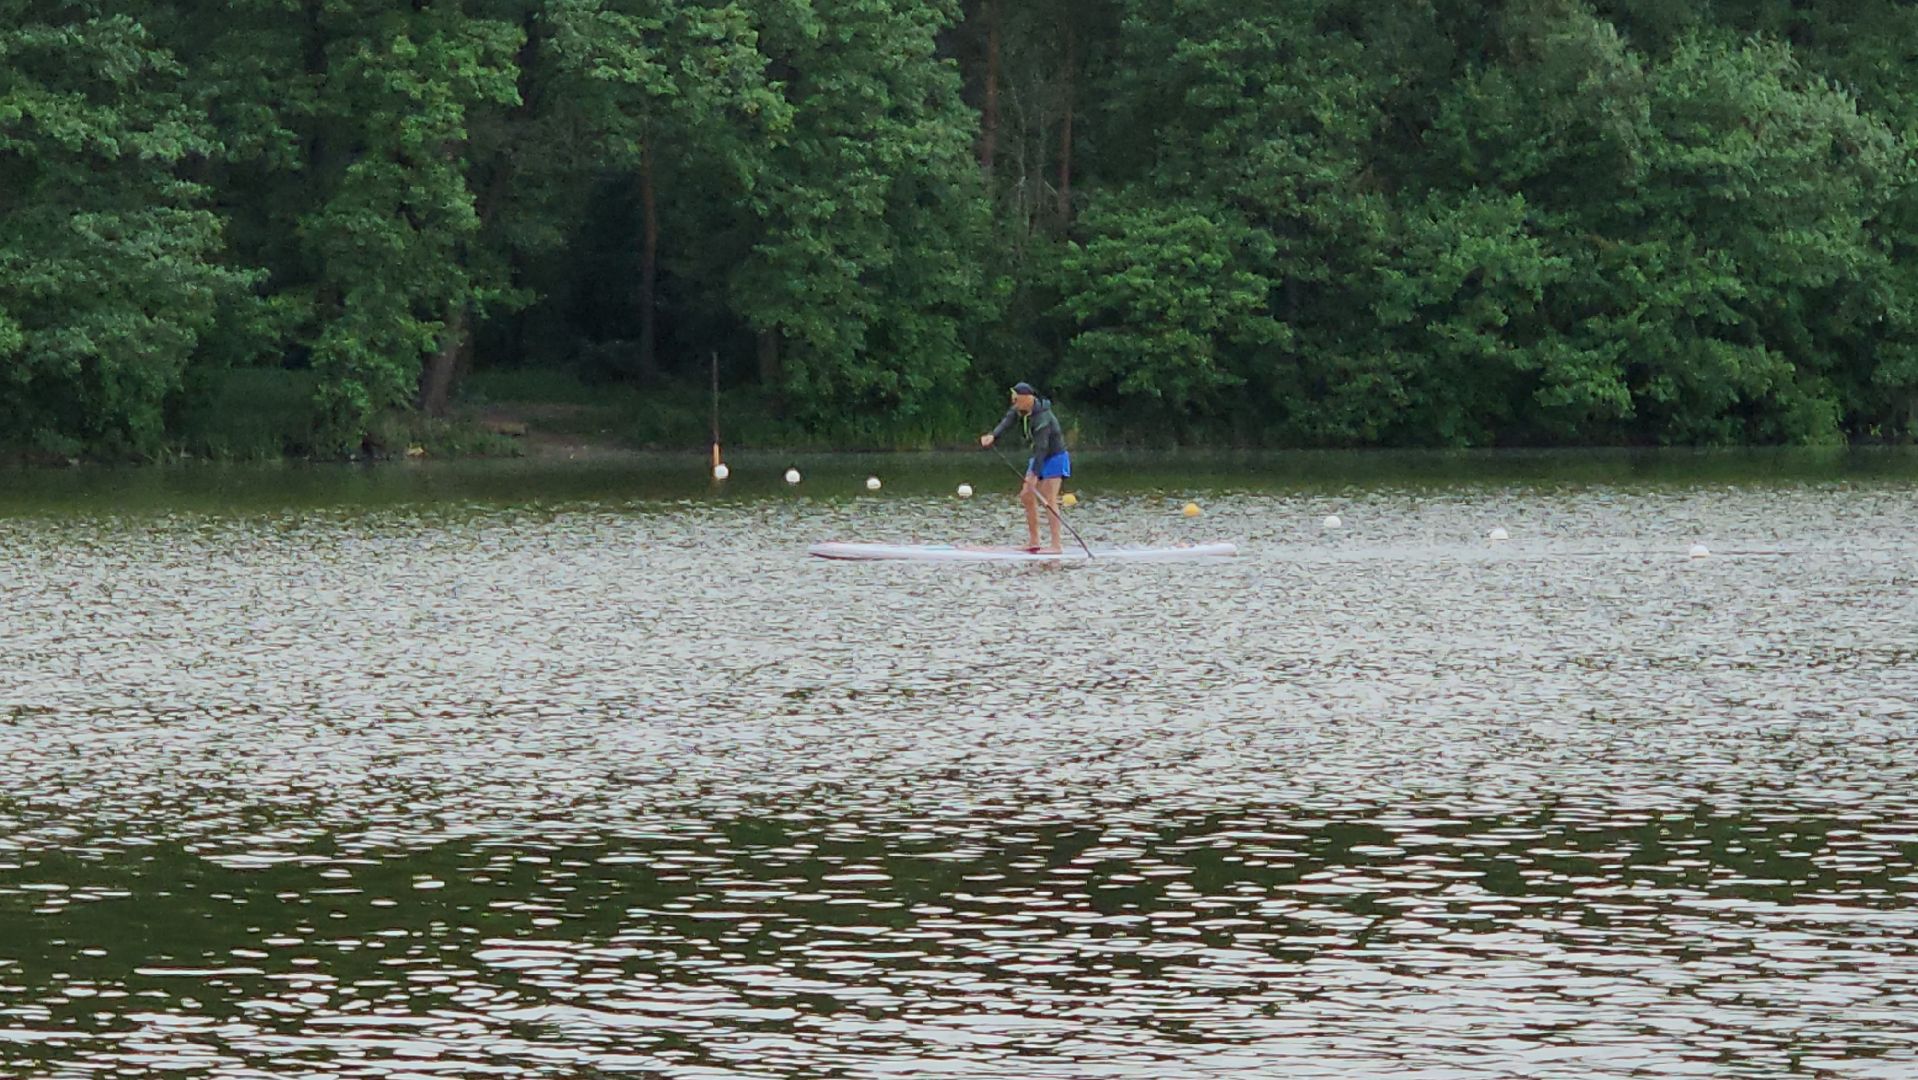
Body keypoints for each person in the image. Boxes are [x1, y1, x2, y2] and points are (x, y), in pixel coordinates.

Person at [979, 382, 1070, 553]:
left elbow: (1043, 447)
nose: (1014, 403)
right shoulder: (1021, 409)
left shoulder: (1043, 418)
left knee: (1049, 499)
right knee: (1026, 495)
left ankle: (1056, 546)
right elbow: (1007, 420)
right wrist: (993, 435)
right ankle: (1034, 541)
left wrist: (1034, 475)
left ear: (1028, 398)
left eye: (1017, 400)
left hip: (1054, 457)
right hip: (1038, 456)